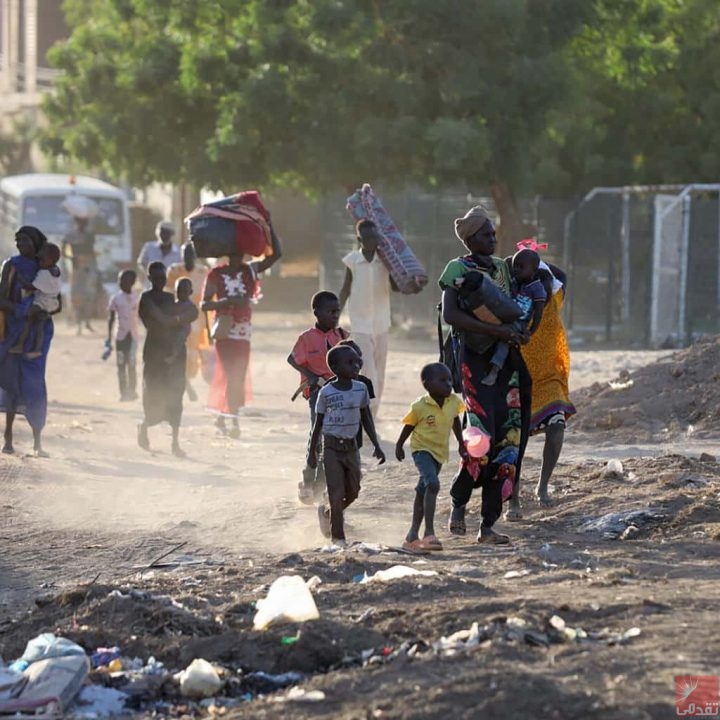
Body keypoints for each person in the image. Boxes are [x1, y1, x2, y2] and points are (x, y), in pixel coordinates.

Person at [439, 205, 532, 544]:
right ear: (469, 239)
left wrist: (516, 332)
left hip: (506, 364)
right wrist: (497, 333)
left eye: (493, 234)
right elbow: (451, 315)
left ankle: (488, 524)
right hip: (474, 362)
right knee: (480, 441)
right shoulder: (457, 268)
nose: (492, 239)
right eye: (485, 234)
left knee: (509, 442)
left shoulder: (504, 269)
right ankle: (459, 502)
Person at [507, 258, 576, 515]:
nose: (540, 288)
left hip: (549, 378)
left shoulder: (555, 298)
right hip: (517, 378)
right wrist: (520, 261)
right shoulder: (516, 301)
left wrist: (534, 258)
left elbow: (562, 274)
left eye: (542, 281)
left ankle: (542, 486)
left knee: (557, 425)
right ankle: (512, 498)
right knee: (515, 442)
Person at [201, 221, 282, 438]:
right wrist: (227, 302)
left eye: (241, 251)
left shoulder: (250, 271)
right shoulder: (216, 274)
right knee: (228, 373)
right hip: (225, 329)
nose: (238, 255)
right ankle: (229, 419)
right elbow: (204, 304)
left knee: (238, 374)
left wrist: (268, 223)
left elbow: (276, 256)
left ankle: (227, 417)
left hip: (243, 331)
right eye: (234, 251)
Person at [307, 345, 385, 546]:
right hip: (331, 448)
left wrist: (376, 444)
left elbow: (366, 417)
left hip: (351, 448)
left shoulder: (361, 389)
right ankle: (338, 538)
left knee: (354, 490)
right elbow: (318, 424)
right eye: (350, 363)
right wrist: (312, 453)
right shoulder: (326, 392)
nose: (356, 366)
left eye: (357, 362)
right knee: (336, 492)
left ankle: (329, 512)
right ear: (334, 367)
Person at [0, 226, 60, 456]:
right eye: (17, 241)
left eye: (24, 241)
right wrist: (23, 311)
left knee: (34, 383)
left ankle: (37, 440)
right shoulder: (11, 266)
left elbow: (57, 302)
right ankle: (8, 436)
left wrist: (43, 311)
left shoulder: (47, 266)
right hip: (13, 332)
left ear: (35, 243)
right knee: (11, 382)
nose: (19, 245)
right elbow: (1, 299)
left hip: (37, 335)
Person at [396, 363, 466, 553]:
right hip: (422, 450)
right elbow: (409, 426)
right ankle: (429, 533)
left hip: (439, 452)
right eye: (442, 380)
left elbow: (455, 421)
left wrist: (461, 443)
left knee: (423, 490)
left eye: (450, 380)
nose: (448, 384)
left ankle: (411, 536)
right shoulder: (420, 406)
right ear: (427, 385)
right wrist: (399, 444)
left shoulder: (453, 402)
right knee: (433, 484)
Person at [288, 291, 349, 503]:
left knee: (333, 437)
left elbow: (353, 359)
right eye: (330, 311)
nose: (335, 315)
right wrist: (312, 377)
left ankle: (323, 483)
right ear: (316, 313)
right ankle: (308, 479)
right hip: (317, 394)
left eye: (337, 311)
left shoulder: (341, 336)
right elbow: (292, 359)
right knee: (318, 435)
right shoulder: (306, 339)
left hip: (340, 393)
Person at [137, 261, 198, 457]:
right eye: (155, 278)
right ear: (149, 278)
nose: (159, 281)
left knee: (175, 395)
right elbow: (162, 319)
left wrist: (178, 321)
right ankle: (145, 426)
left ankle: (175, 441)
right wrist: (178, 320)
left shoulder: (170, 298)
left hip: (174, 354)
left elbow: (191, 313)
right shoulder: (146, 299)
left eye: (162, 278)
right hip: (154, 352)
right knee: (153, 393)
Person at [339, 219, 396, 415]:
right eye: (367, 238)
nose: (372, 241)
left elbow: (397, 286)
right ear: (359, 239)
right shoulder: (352, 261)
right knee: (368, 369)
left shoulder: (386, 261)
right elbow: (345, 289)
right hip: (360, 323)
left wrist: (396, 267)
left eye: (375, 237)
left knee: (380, 369)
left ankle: (374, 411)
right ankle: (367, 409)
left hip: (381, 322)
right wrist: (335, 315)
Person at [482, 248, 546, 386]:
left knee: (505, 339)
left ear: (534, 269)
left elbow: (539, 312)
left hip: (519, 323)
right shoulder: (515, 282)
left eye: (521, 267)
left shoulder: (537, 288)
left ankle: (494, 370)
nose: (516, 269)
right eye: (515, 266)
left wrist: (530, 331)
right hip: (506, 316)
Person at [166, 243, 209, 401]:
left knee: (194, 358)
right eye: (185, 254)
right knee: (178, 352)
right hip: (179, 318)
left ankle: (186, 383)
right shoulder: (174, 271)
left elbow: (209, 297)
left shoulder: (203, 272)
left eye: (191, 254)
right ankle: (186, 387)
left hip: (198, 320)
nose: (188, 257)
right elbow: (168, 295)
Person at [9, 243, 62, 360]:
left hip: (42, 303)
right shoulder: (56, 271)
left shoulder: (44, 273)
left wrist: (19, 278)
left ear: (50, 260)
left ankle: (21, 345)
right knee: (39, 325)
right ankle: (36, 348)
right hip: (52, 303)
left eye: (42, 260)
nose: (39, 263)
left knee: (27, 320)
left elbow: (32, 287)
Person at [62, 215, 99, 334]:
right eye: (81, 221)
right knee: (76, 295)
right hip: (76, 267)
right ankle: (77, 323)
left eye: (85, 222)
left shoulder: (90, 235)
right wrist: (71, 258)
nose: (83, 224)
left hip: (88, 266)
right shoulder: (70, 235)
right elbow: (63, 251)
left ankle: (87, 322)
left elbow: (91, 251)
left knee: (89, 294)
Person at [107, 269, 140, 402]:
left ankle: (132, 391)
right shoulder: (115, 298)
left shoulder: (137, 297)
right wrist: (109, 337)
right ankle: (123, 393)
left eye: (123, 280)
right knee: (121, 365)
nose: (120, 283)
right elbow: (111, 318)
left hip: (133, 337)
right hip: (120, 337)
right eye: (119, 280)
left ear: (131, 282)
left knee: (131, 364)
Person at [166, 278, 195, 365]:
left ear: (190, 292)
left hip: (183, 329)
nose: (182, 294)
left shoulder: (189, 305)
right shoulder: (174, 304)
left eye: (185, 291)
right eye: (179, 291)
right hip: (173, 331)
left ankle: (173, 355)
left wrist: (179, 318)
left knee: (180, 336)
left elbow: (194, 313)